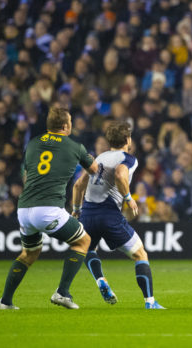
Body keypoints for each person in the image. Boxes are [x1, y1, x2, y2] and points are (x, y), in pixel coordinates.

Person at [0, 107, 98, 310]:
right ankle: (62, 292)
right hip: (48, 208)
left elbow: (26, 175)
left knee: (29, 254)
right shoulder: (75, 146)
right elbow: (95, 171)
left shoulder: (32, 144)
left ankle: (5, 302)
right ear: (66, 126)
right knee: (83, 241)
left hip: (24, 209)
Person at [72, 121, 165, 309]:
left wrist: (75, 208)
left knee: (89, 250)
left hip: (88, 213)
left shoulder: (99, 157)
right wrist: (129, 198)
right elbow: (121, 175)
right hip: (109, 214)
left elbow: (78, 184)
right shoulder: (128, 158)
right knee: (140, 255)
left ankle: (100, 280)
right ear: (127, 140)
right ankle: (150, 302)